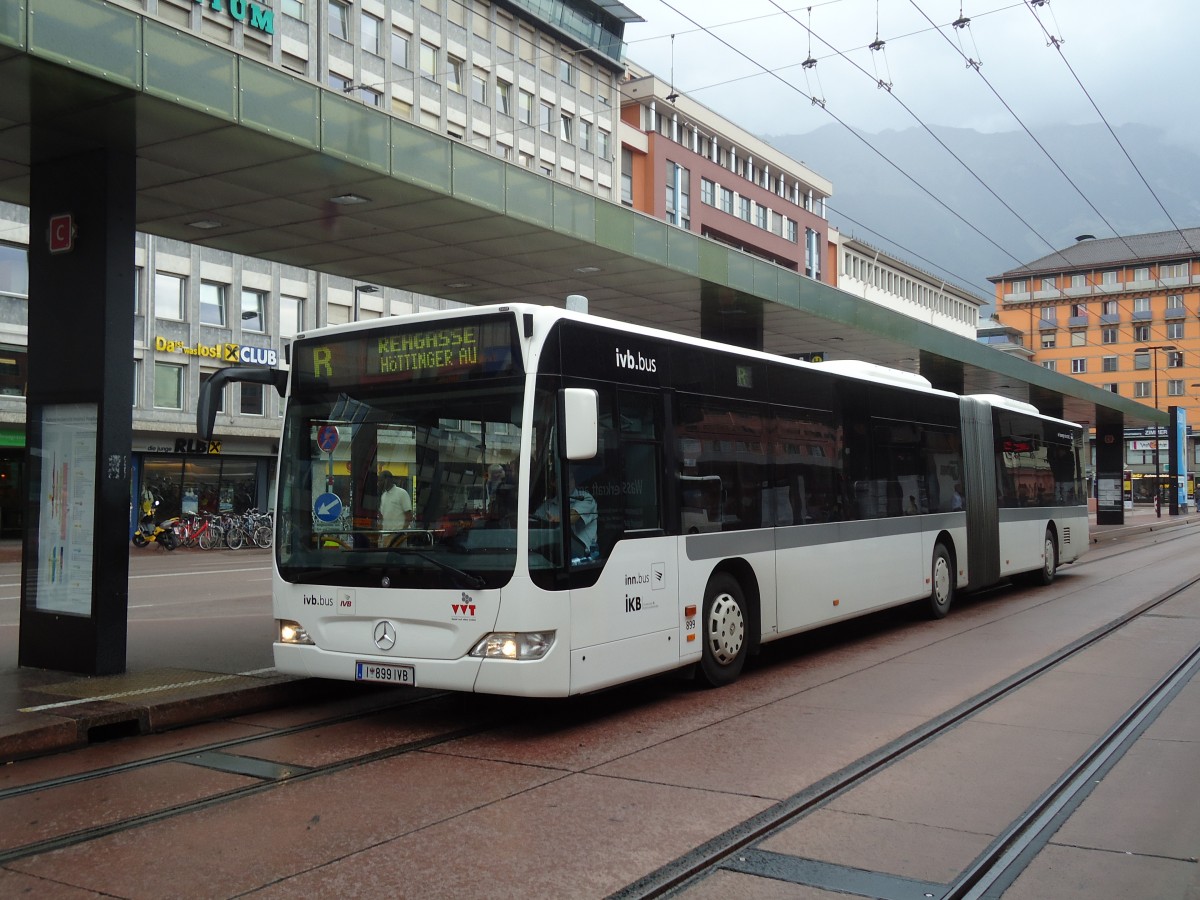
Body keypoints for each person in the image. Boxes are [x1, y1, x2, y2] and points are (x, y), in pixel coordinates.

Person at [536, 470, 598, 557]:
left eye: (571, 478)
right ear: (553, 483)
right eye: (563, 478)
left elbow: (572, 518)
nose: (569, 482)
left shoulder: (585, 498)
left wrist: (555, 520)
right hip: (556, 553)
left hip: (583, 556)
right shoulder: (549, 504)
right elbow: (534, 520)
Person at [378, 470, 412, 535]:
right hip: (386, 535)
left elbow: (409, 517)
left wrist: (401, 534)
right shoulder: (384, 496)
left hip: (399, 536)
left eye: (381, 480)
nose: (379, 483)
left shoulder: (402, 493)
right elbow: (382, 516)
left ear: (387, 480)